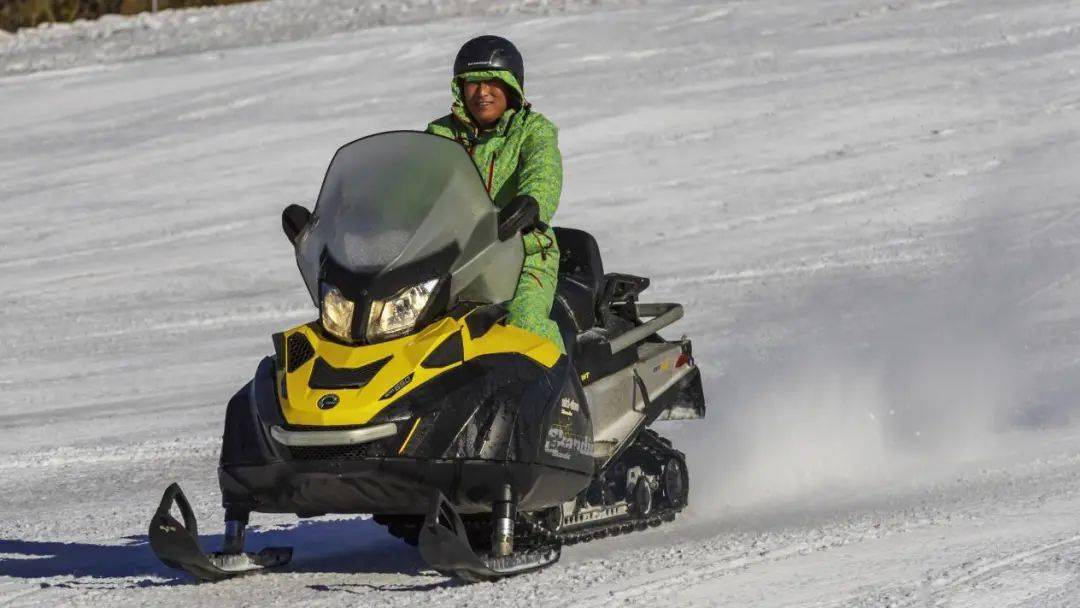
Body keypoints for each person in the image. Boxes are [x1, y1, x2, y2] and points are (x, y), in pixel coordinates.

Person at [426, 35, 565, 353]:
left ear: (512, 86)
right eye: (472, 83)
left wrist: (532, 202)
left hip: (524, 251)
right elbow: (413, 183)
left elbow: (544, 171)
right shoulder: (441, 135)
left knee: (524, 323)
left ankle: (565, 399)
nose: (482, 92)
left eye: (492, 81)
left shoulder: (533, 130)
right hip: (454, 259)